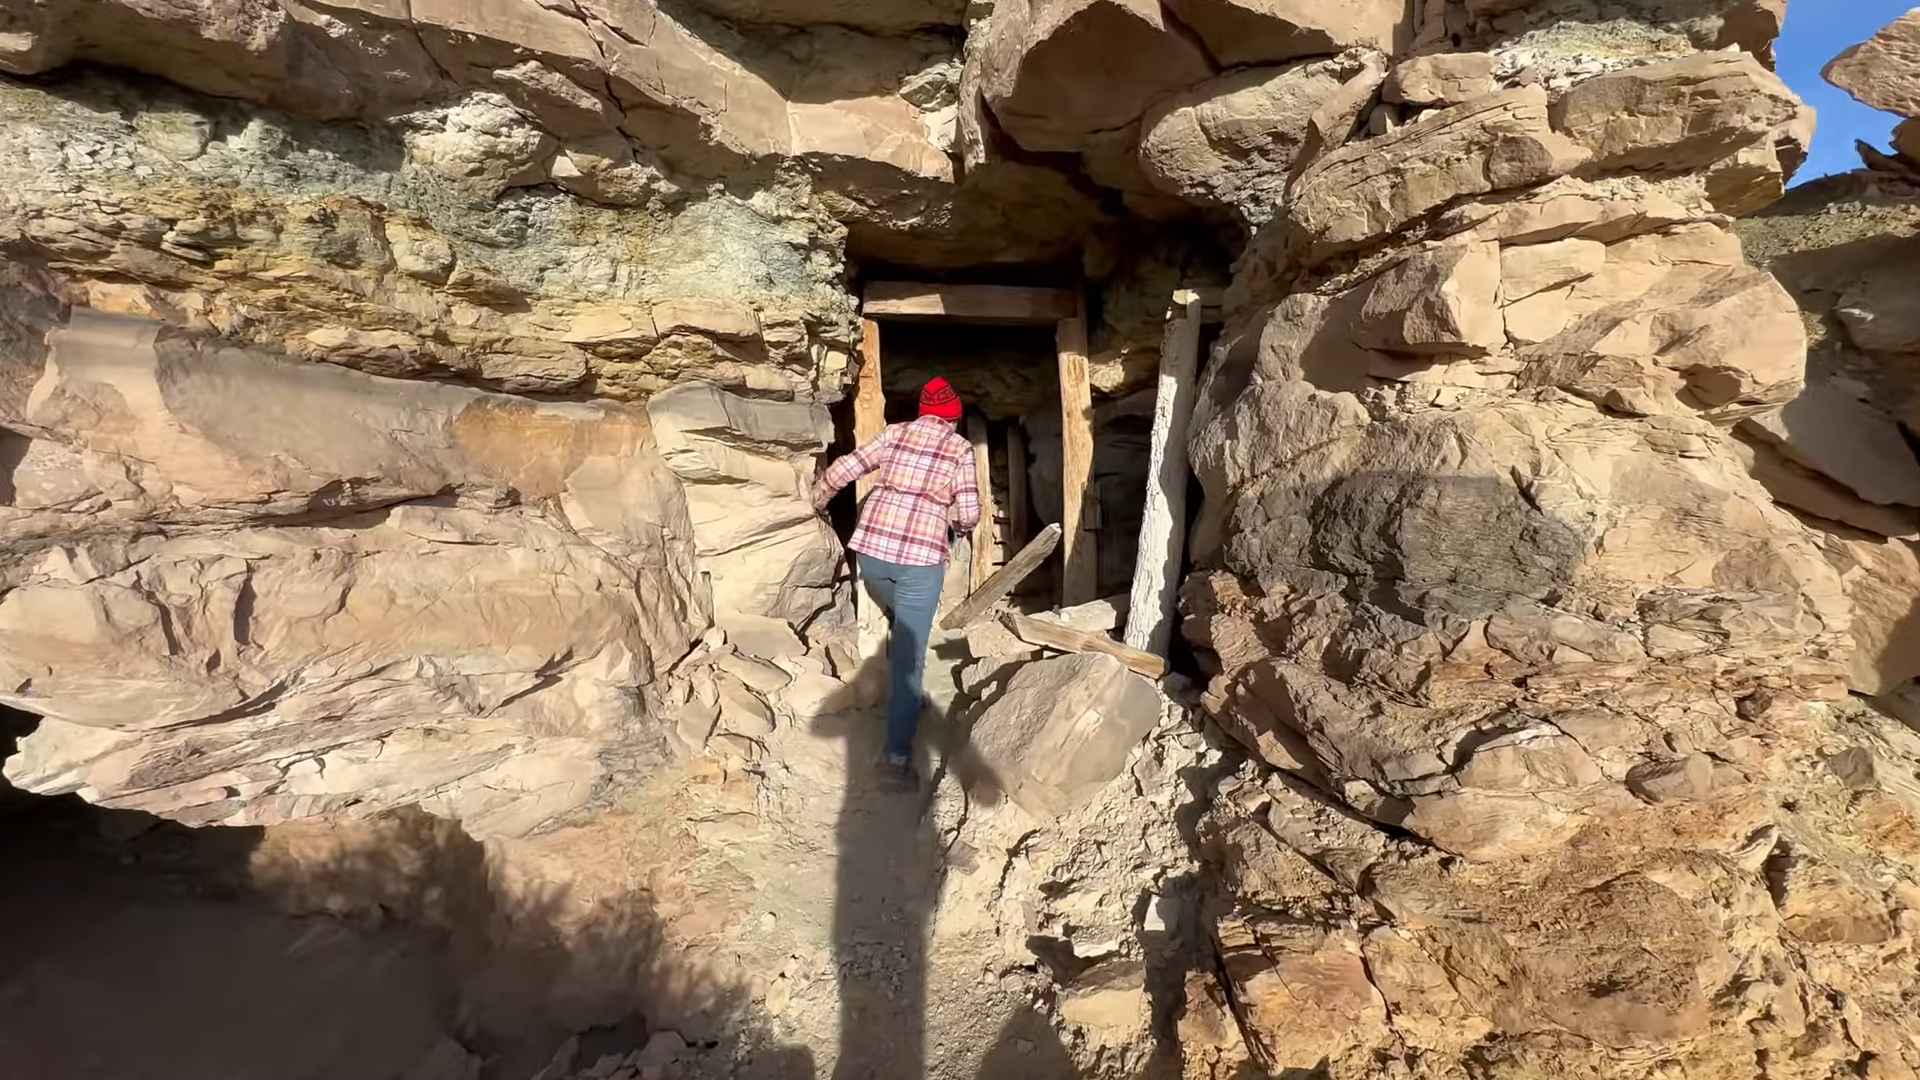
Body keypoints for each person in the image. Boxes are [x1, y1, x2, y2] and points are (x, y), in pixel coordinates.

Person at [812, 376, 980, 788]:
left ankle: (906, 692)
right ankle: (895, 757)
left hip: (871, 554)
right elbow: (970, 512)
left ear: (924, 412)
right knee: (910, 658)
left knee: (896, 615)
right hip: (921, 561)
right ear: (952, 418)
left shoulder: (894, 433)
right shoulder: (959, 449)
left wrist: (815, 501)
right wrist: (954, 525)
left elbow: (844, 468)